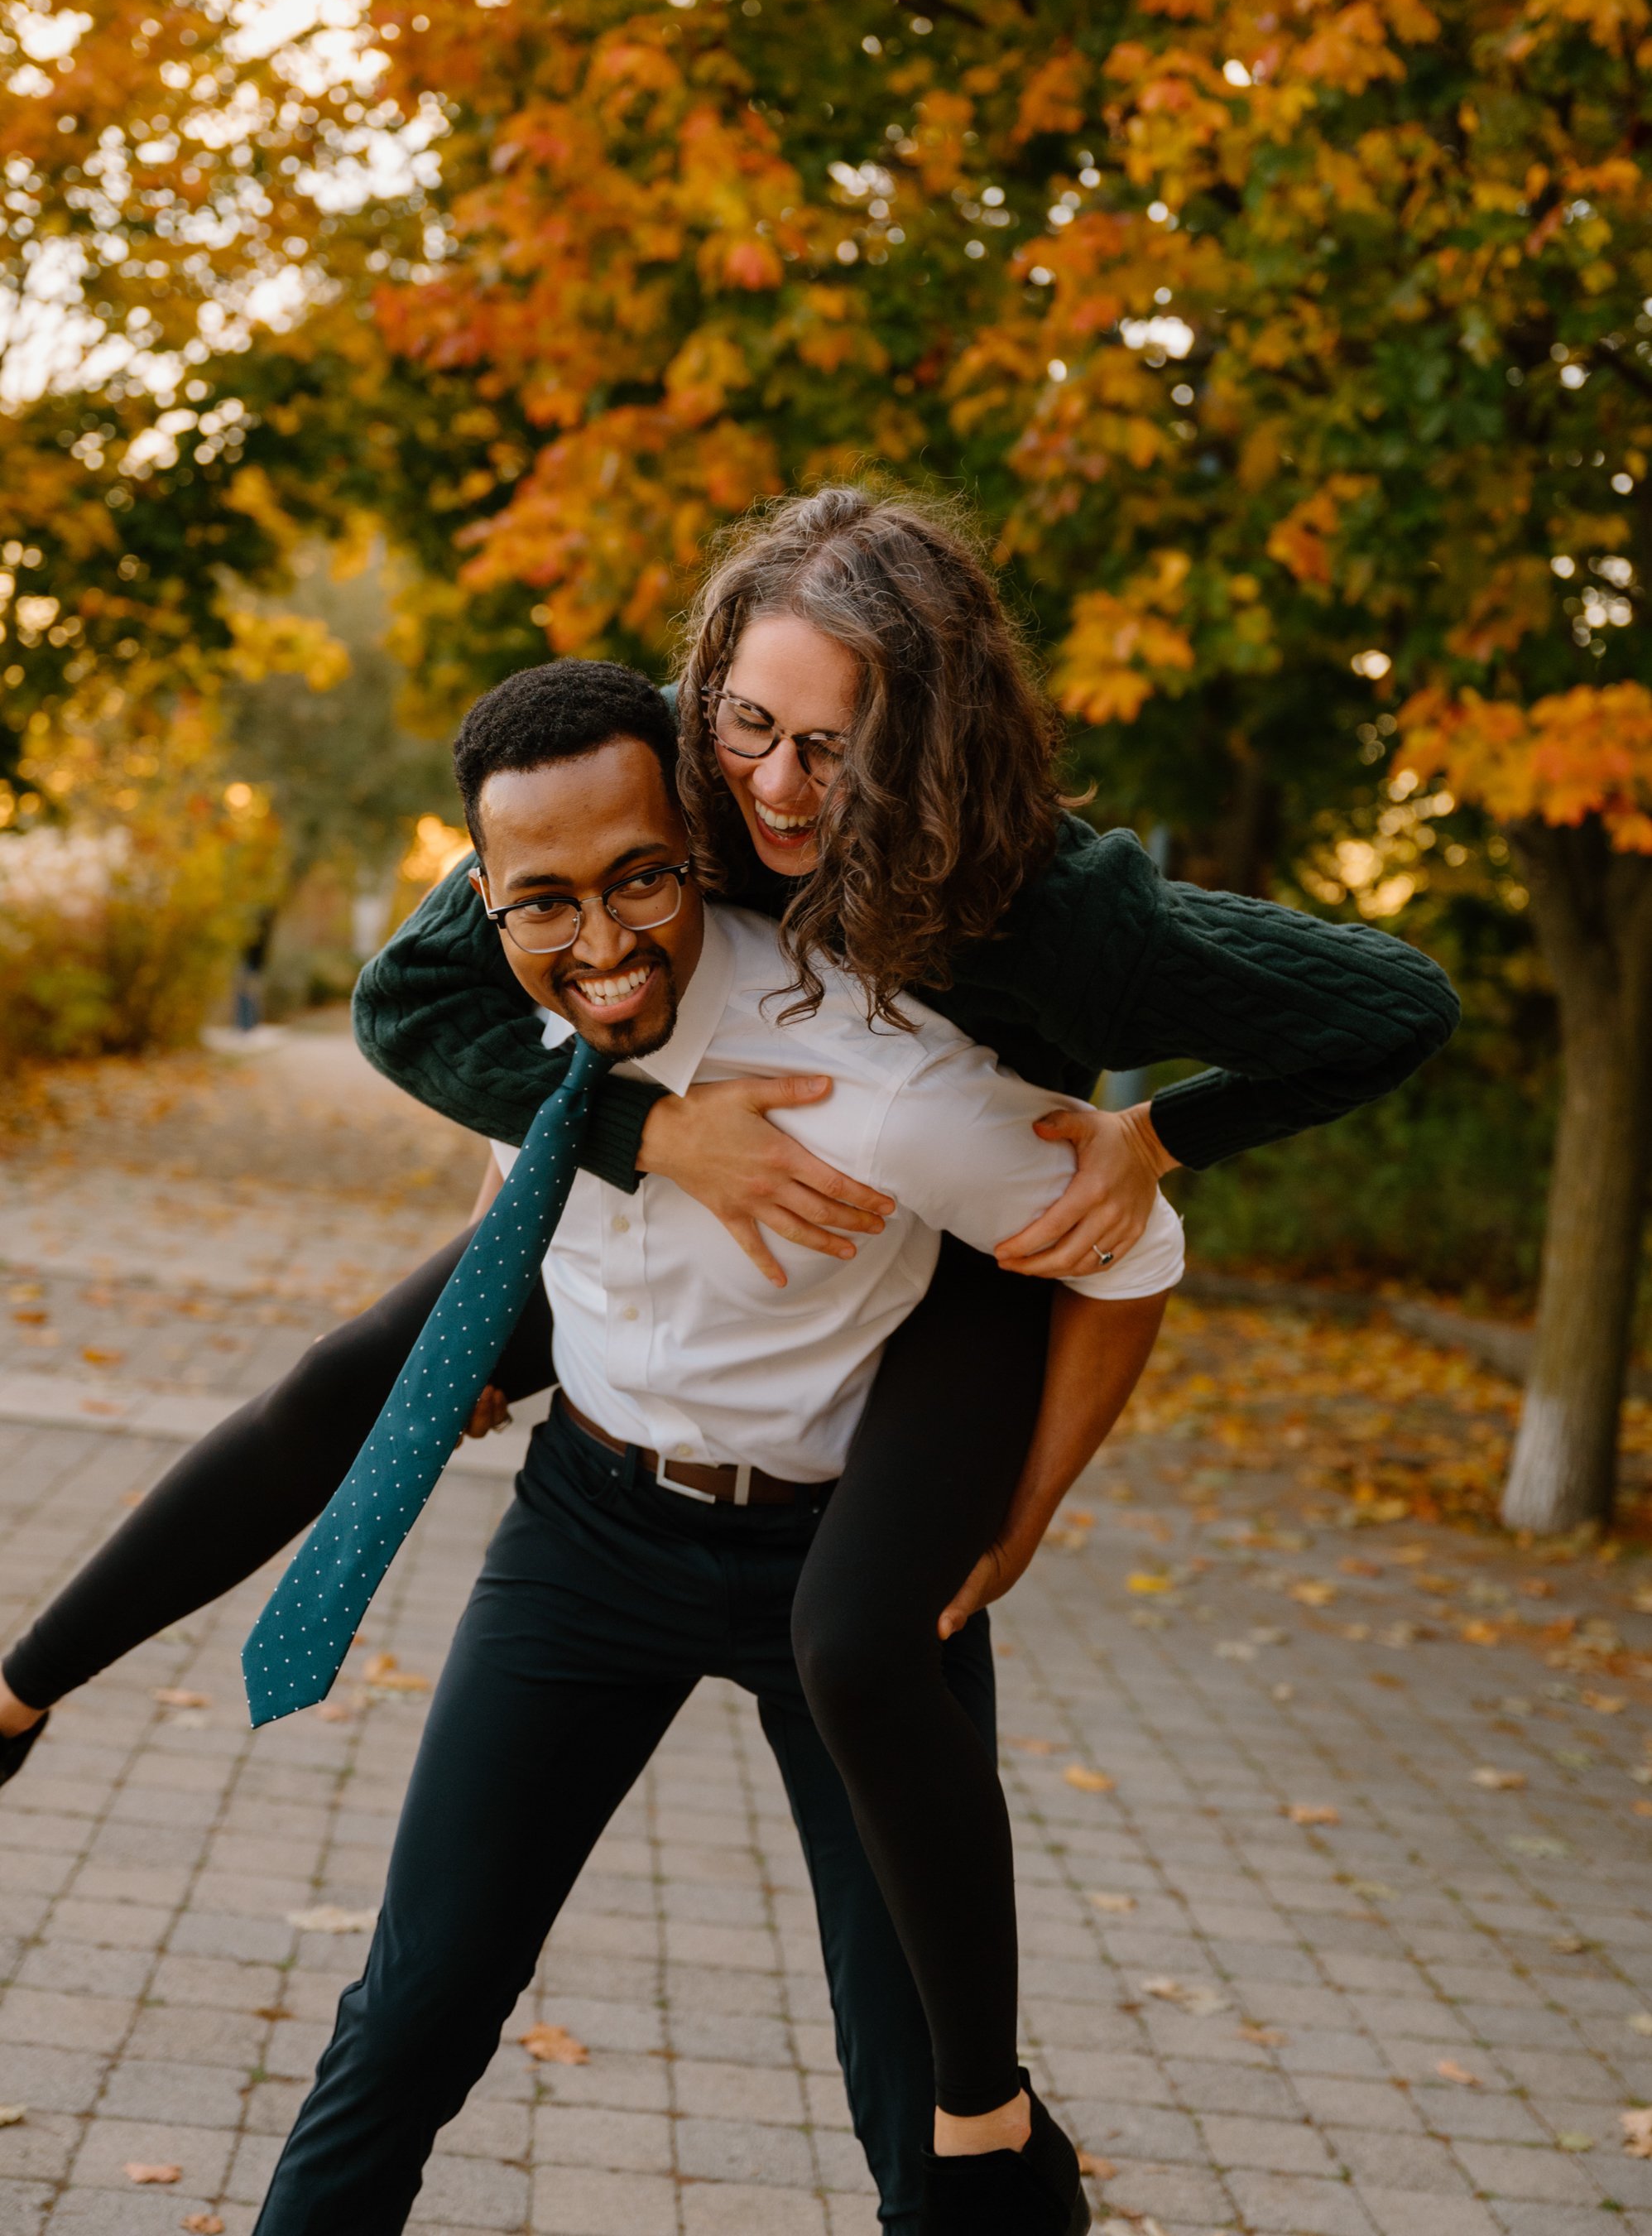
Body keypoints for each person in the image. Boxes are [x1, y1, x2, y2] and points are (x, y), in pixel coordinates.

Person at [0, 486, 1458, 2210]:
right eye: (746, 731)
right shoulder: (631, 824)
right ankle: (20, 1688)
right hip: (606, 1464)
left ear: (919, 750)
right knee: (357, 1418)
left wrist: (1154, 1150)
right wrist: (650, 1134)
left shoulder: (1024, 938)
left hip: (901, 1368)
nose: (771, 787)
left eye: (829, 752)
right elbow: (427, 993)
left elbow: (1329, 1057)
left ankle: (983, 2120)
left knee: (923, 2079)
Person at [252, 659, 1176, 2235]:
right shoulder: (547, 982)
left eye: (637, 877)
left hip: (848, 1585)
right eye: (542, 898)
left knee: (933, 2090)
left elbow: (1130, 1244)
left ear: (692, 839)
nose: (598, 937)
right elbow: (507, 1155)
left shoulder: (878, 1075)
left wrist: (1018, 1521)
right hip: (589, 1535)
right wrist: (498, 1313)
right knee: (409, 2016)